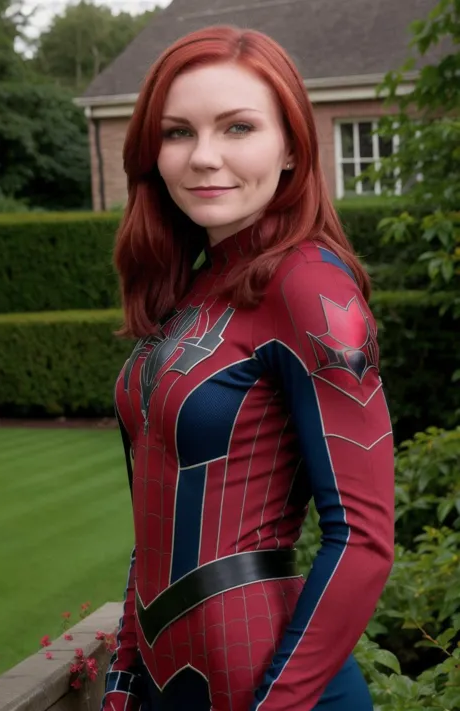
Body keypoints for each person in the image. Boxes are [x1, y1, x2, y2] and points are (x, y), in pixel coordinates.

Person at [100, 25, 395, 711]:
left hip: (278, 690)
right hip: (165, 685)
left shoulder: (313, 290)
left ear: (292, 145)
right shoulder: (190, 290)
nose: (204, 157)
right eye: (178, 132)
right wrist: (122, 674)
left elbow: (363, 539)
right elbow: (155, 523)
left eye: (237, 127)